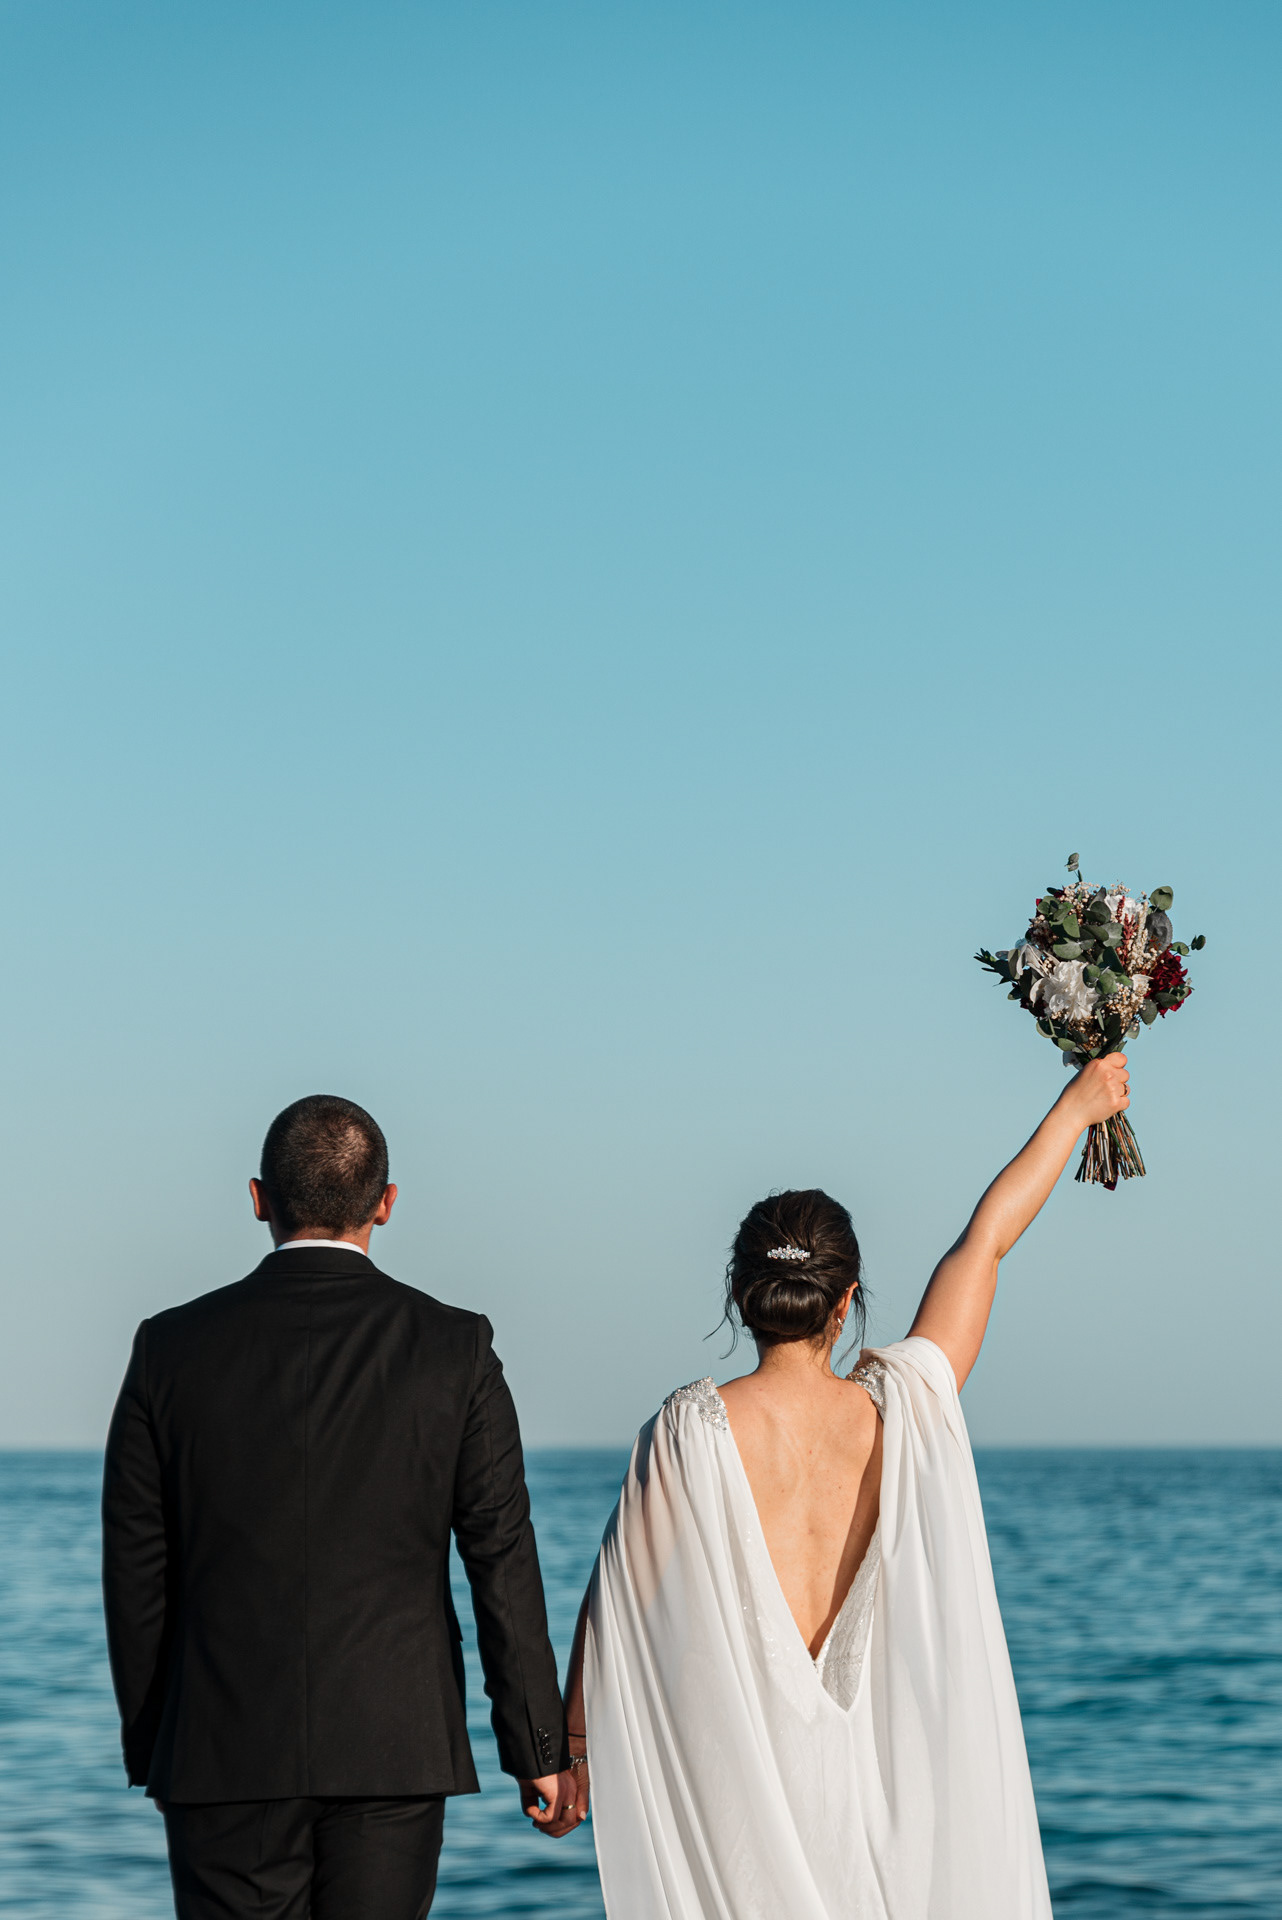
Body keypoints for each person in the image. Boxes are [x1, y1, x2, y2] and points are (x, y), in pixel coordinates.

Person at [552, 1054, 1132, 1918]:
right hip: (894, 1804)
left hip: (750, 1799)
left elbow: (614, 1604)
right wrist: (1076, 1107)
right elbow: (985, 1242)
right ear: (847, 1298)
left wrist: (574, 1756)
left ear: (741, 1293)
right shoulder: (906, 1404)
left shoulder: (688, 1430)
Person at [102, 1094, 574, 1920]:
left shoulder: (168, 1348)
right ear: (386, 1202)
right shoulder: (454, 1347)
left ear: (258, 1199)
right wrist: (539, 1747)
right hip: (394, 1746)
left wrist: (157, 1743)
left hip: (220, 1749)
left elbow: (137, 1568)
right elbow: (501, 1556)